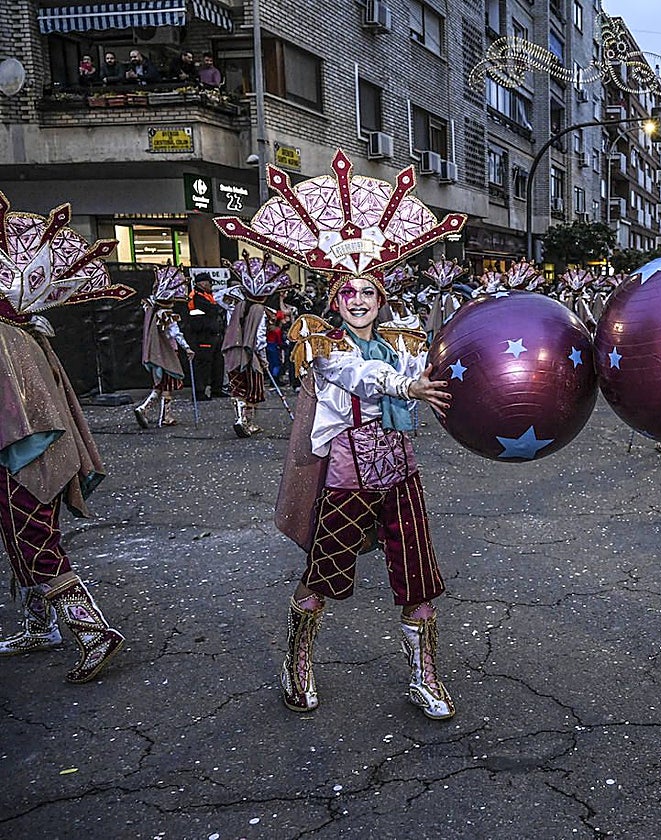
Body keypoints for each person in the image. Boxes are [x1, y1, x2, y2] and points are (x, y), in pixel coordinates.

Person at [215, 149, 469, 717]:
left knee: (418, 577)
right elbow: (361, 376)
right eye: (348, 292)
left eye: (368, 292)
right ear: (336, 300)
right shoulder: (319, 341)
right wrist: (406, 389)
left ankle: (424, 677)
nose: (358, 299)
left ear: (381, 299)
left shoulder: (404, 339)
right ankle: (297, 661)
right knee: (326, 571)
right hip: (347, 473)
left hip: (400, 470)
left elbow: (424, 381)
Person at [0, 190, 131, 680]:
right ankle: (41, 623)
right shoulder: (21, 328)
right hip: (31, 454)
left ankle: (92, 631)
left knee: (33, 538)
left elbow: (17, 415)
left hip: (24, 459)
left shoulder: (7, 334)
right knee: (21, 538)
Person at [222, 253, 293, 437]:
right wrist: (263, 359)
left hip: (231, 351)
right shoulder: (259, 310)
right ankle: (248, 422)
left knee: (237, 386)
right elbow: (259, 338)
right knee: (253, 389)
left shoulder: (237, 306)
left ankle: (240, 418)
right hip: (249, 354)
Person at [134, 265, 194, 428]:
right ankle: (163, 415)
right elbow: (174, 333)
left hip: (156, 353)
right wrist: (187, 348)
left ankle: (145, 409)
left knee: (159, 385)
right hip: (167, 353)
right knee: (167, 385)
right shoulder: (166, 315)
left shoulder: (153, 312)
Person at [186, 274, 228, 400]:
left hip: (214, 334)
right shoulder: (195, 297)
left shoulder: (209, 296)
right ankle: (200, 391)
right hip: (202, 336)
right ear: (201, 283)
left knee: (217, 363)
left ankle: (217, 388)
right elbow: (210, 310)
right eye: (209, 282)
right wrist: (216, 309)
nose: (211, 285)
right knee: (203, 364)